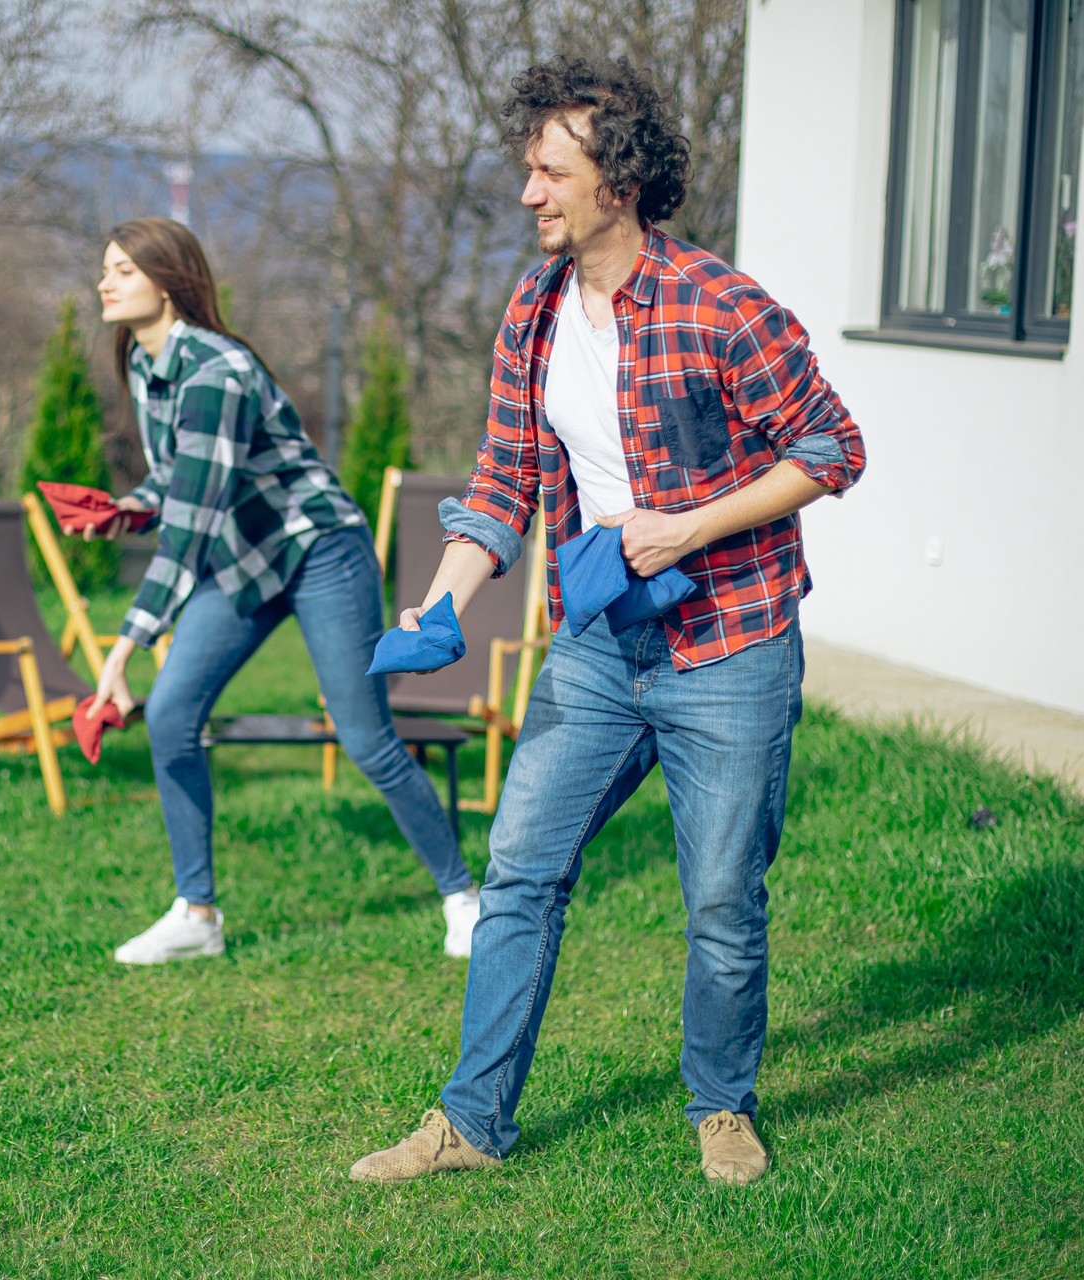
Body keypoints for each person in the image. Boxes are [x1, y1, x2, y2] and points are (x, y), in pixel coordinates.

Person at [349, 55, 866, 1187]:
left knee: (723, 897)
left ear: (617, 182)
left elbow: (833, 447)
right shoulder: (533, 310)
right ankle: (473, 1122)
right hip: (597, 648)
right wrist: (442, 603)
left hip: (729, 643)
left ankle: (722, 1106)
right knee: (520, 869)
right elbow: (502, 481)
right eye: (528, 169)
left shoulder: (721, 306)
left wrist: (690, 525)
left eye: (550, 171)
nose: (530, 192)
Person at [77, 216, 479, 965]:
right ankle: (196, 914)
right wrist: (126, 510)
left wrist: (123, 646)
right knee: (169, 715)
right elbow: (186, 475)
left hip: (320, 548)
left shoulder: (216, 371)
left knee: (366, 738)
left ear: (170, 281)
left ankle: (463, 898)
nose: (105, 281)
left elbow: (191, 526)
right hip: (245, 555)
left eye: (124, 270)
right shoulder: (143, 363)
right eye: (105, 268)